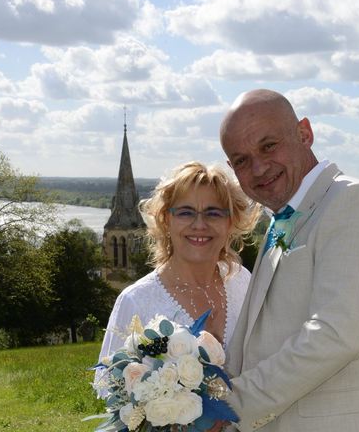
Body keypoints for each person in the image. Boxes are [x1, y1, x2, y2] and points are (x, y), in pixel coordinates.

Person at [219, 89, 359, 432]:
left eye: (268, 146)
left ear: (304, 133)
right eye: (241, 160)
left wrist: (231, 405)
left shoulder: (356, 203)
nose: (259, 167)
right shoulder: (282, 219)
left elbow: (336, 333)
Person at [95, 162, 260, 383]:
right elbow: (109, 387)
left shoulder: (242, 281)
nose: (199, 224)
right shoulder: (135, 301)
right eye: (185, 212)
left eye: (213, 213)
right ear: (166, 220)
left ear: (230, 222)